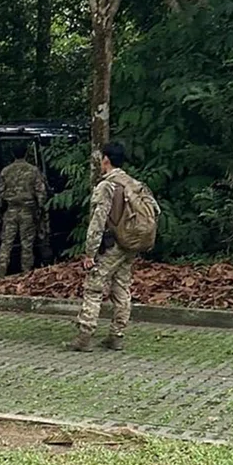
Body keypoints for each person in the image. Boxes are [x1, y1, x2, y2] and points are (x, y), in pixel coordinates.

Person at [69, 142, 137, 352]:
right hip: (129, 244)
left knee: (94, 287)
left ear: (106, 159)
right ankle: (116, 335)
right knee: (122, 288)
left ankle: (84, 336)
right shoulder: (132, 183)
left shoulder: (107, 185)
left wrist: (90, 252)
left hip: (110, 245)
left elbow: (98, 221)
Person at [0, 142, 47, 276]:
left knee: (6, 244)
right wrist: (41, 210)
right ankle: (26, 274)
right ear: (26, 153)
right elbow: (41, 192)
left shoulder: (5, 171)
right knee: (27, 245)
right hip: (28, 211)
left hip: (10, 211)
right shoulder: (33, 170)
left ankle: (1, 273)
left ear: (12, 154)